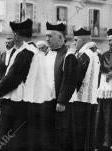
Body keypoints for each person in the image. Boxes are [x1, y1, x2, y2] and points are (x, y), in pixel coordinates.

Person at [0, 19, 37, 150]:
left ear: (17, 35)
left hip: (15, 103)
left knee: (7, 142)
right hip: (21, 102)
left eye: (14, 34)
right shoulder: (29, 51)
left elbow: (12, 80)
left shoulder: (25, 52)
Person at [35, 22, 77, 151]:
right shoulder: (47, 54)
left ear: (60, 38)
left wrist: (62, 101)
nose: (46, 39)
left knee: (60, 134)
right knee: (46, 134)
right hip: (46, 101)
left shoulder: (68, 55)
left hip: (59, 103)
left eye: (50, 36)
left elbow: (70, 80)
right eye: (46, 36)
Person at [69, 28, 101, 150]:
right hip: (91, 98)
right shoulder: (94, 54)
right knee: (88, 133)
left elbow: (77, 78)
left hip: (80, 99)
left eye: (76, 40)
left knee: (80, 134)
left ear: (82, 40)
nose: (74, 43)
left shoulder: (84, 55)